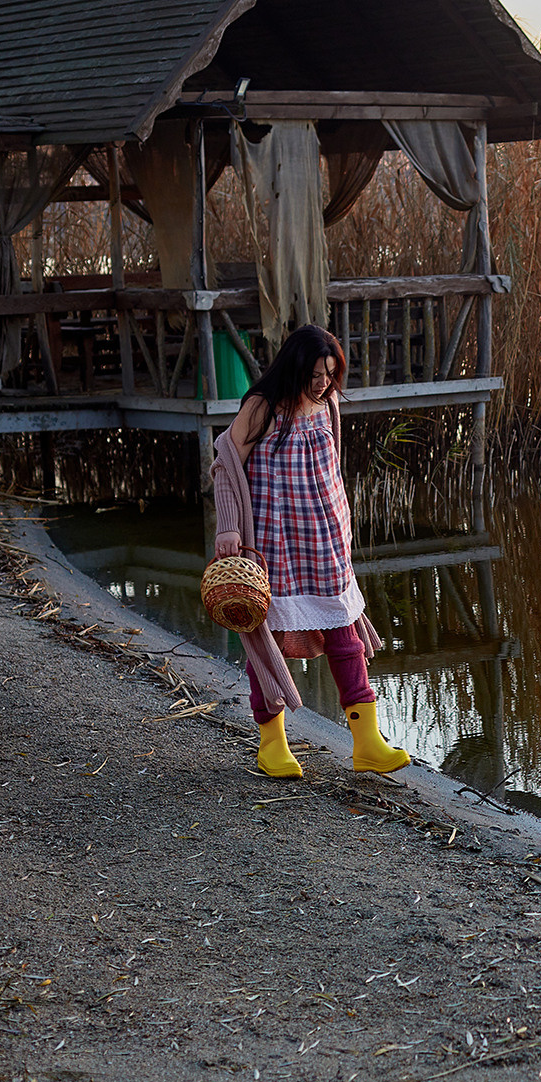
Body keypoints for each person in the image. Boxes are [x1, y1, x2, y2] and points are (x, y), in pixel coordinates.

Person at [210, 324, 410, 779]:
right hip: (273, 541)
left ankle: (367, 743)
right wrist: (227, 528)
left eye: (330, 373)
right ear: (295, 366)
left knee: (345, 635)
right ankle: (272, 745)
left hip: (324, 537)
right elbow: (225, 465)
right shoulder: (261, 407)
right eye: (316, 373)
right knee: (271, 640)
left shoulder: (328, 404)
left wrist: (343, 528)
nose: (322, 382)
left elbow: (331, 468)